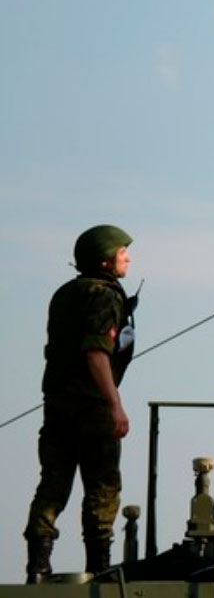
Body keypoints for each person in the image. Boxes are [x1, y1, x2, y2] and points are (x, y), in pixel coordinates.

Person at [23, 224, 138, 583]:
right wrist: (114, 404)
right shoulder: (104, 296)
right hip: (92, 408)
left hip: (58, 407)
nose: (128, 258)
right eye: (122, 252)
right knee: (103, 489)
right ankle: (99, 569)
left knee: (52, 486)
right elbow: (96, 353)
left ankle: (38, 567)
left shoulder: (65, 294)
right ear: (105, 260)